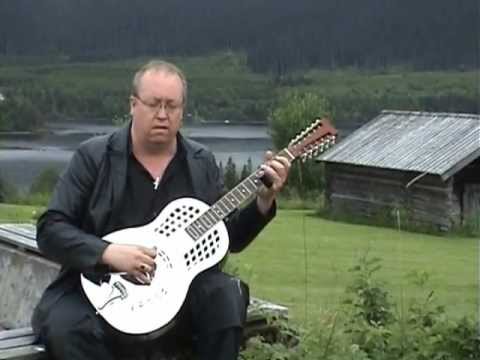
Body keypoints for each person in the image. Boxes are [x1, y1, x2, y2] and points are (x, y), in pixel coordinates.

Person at [31, 60, 291, 360]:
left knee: (225, 294)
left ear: (183, 110)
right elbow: (51, 229)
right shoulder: (94, 157)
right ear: (133, 104)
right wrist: (107, 252)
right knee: (68, 330)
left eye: (172, 106)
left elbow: (225, 237)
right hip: (94, 288)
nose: (163, 115)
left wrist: (263, 202)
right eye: (154, 104)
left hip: (173, 297)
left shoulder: (200, 163)